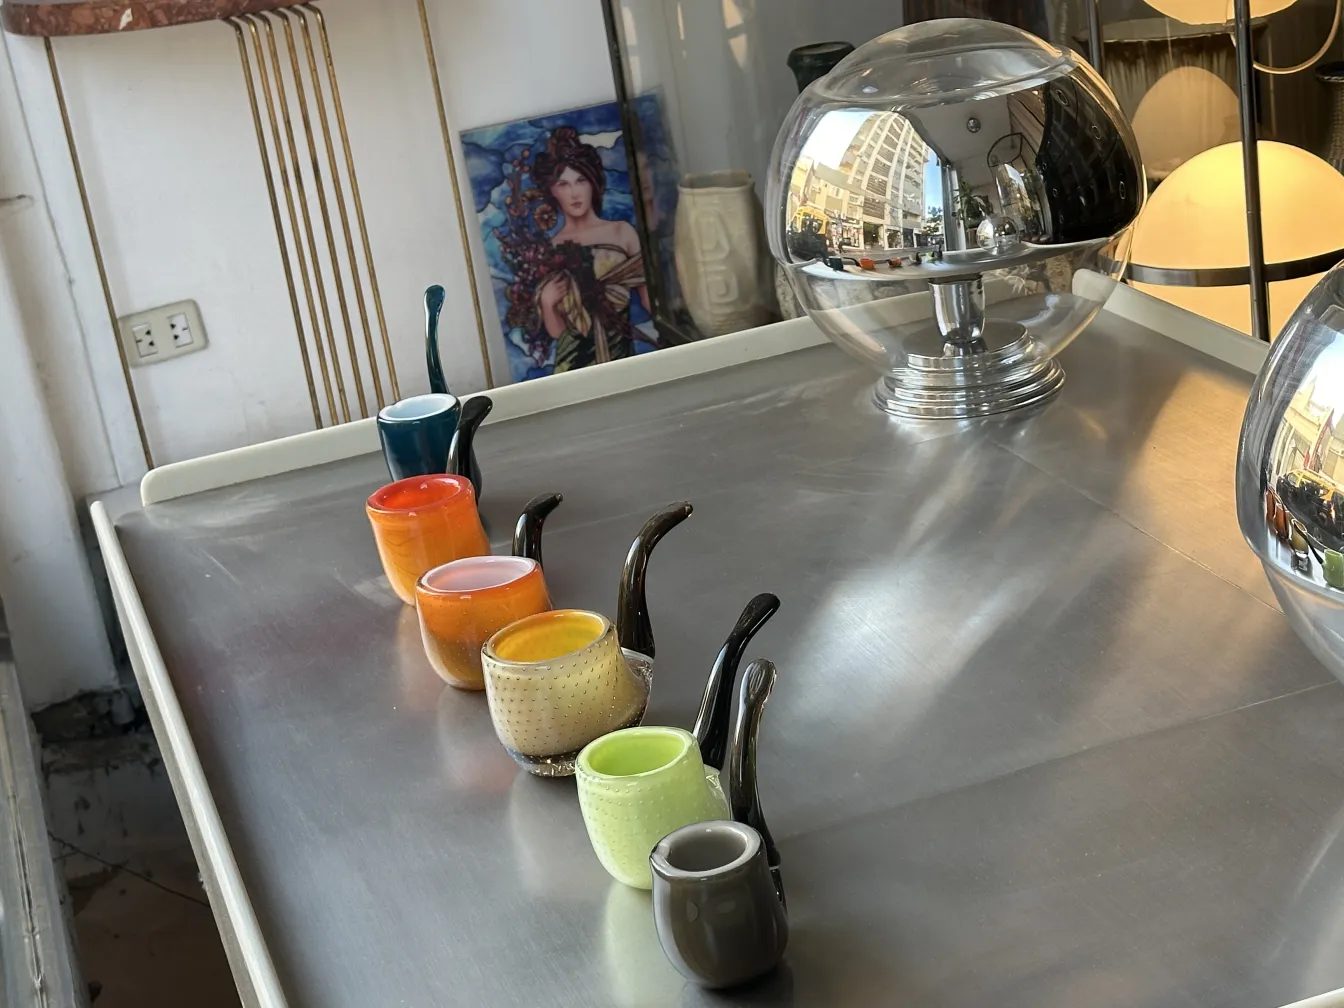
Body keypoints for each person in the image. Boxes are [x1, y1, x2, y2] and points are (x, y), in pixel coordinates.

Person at [530, 127, 650, 372]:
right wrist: (546, 302)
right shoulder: (553, 249)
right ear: (553, 191)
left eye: (581, 180)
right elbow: (558, 332)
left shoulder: (621, 232)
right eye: (563, 184)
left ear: (593, 183)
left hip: (623, 360)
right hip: (572, 367)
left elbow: (651, 302)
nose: (574, 193)